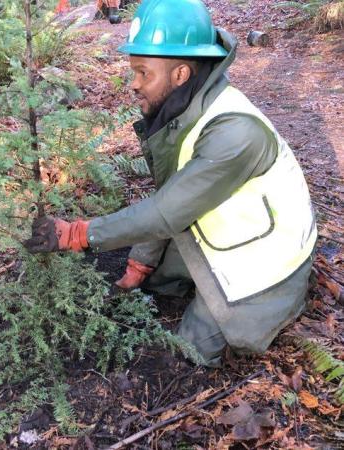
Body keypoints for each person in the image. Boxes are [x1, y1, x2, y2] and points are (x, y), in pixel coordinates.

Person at [24, 0, 317, 367]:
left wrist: (79, 234)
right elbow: (170, 195)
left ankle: (254, 311)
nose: (133, 85)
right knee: (158, 284)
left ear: (180, 74)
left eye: (143, 73)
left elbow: (165, 212)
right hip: (226, 231)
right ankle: (175, 278)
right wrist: (141, 264)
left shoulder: (234, 132)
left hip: (264, 266)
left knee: (188, 353)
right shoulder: (186, 111)